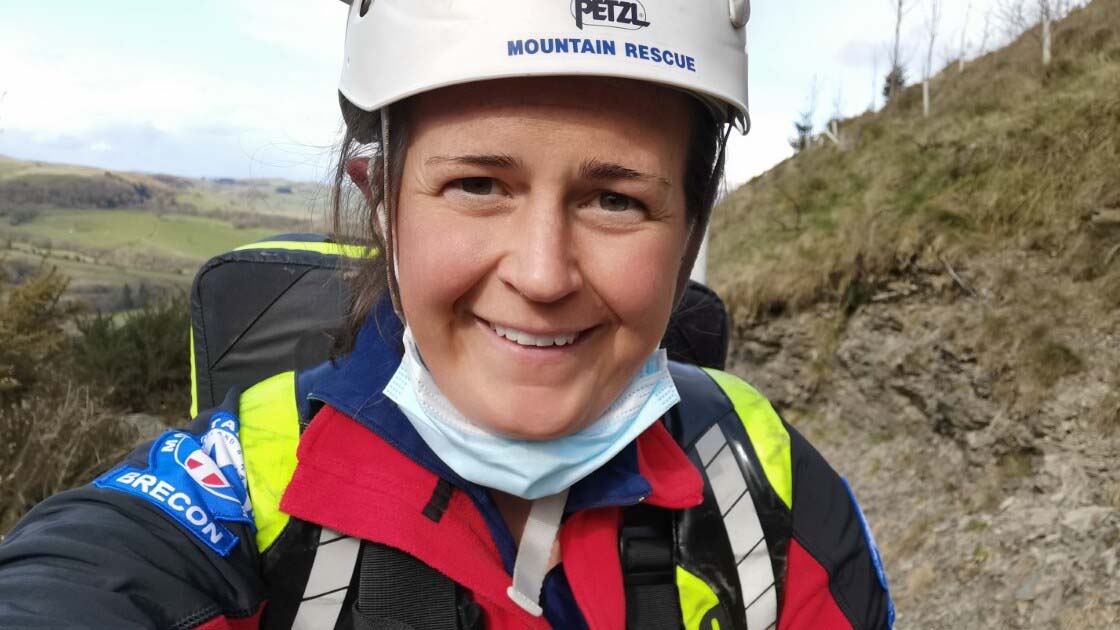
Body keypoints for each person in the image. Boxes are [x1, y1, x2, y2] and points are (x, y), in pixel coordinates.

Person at [0, 1, 894, 628]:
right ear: (383, 201)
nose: (543, 275)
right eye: (477, 185)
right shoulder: (244, 490)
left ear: (690, 226)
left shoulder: (765, 487)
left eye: (616, 200)